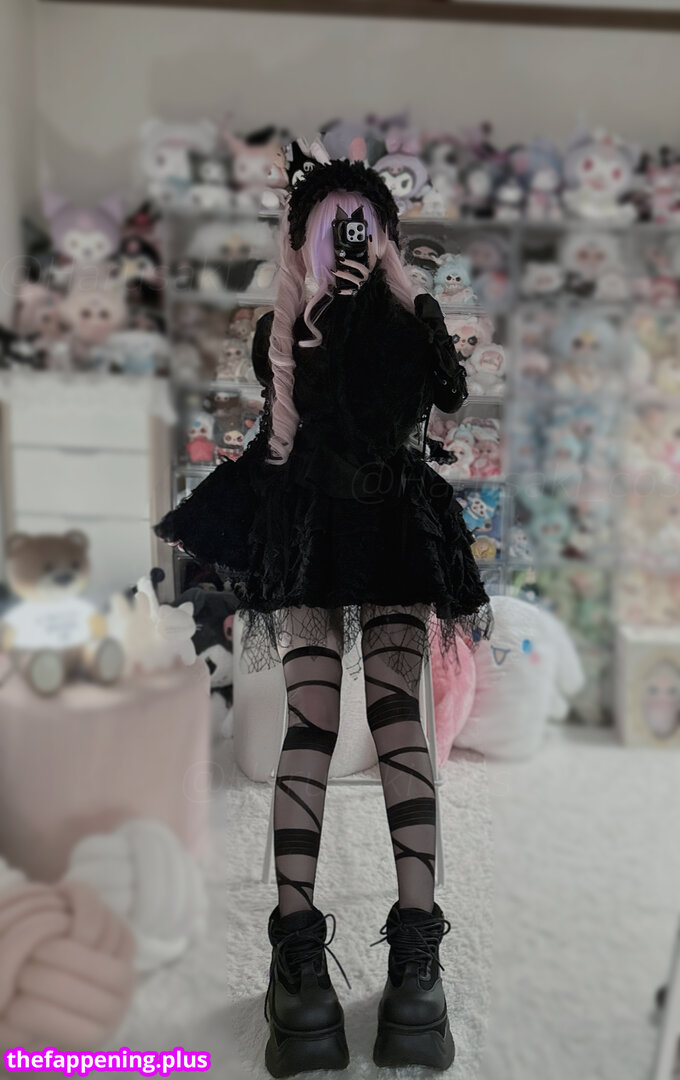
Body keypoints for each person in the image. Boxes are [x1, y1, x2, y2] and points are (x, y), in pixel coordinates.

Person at [154, 155, 492, 1076]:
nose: (349, 239)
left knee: (337, 724)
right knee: (387, 723)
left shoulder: (353, 326)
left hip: (344, 525)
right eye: (337, 226)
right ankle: (389, 973)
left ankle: (330, 969)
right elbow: (388, 414)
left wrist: (388, 316)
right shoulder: (331, 328)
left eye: (359, 226)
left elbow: (430, 405)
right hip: (358, 524)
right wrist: (377, 316)